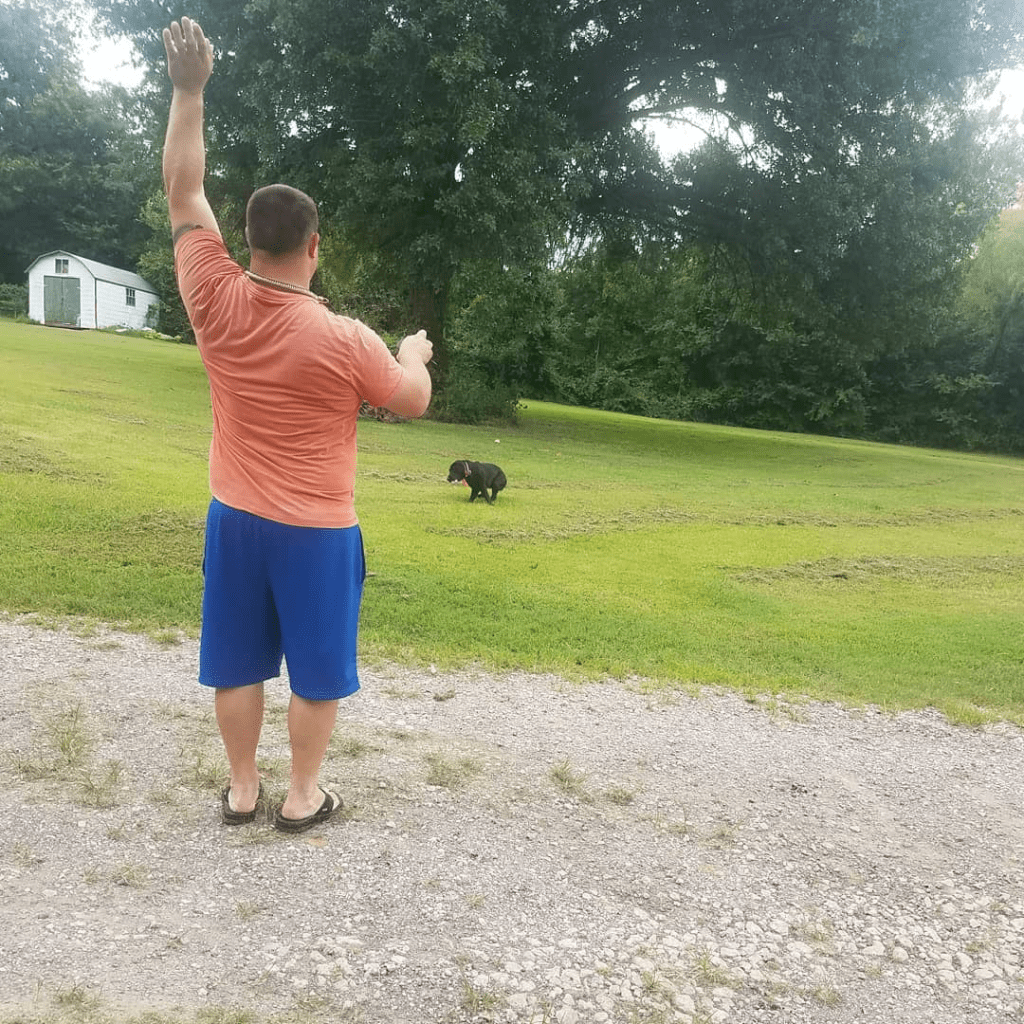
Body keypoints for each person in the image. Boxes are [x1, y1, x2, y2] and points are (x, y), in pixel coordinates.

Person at [161, 17, 433, 832]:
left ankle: (244, 790)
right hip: (317, 530)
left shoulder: (211, 293)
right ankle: (303, 796)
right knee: (316, 672)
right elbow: (412, 400)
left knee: (236, 662)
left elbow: (183, 191)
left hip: (235, 518)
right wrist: (412, 353)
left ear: (246, 240)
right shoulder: (347, 340)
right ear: (315, 246)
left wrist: (189, 89)